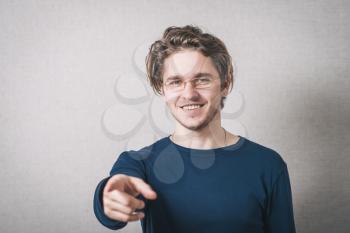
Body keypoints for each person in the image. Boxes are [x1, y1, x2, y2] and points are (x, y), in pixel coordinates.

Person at [93, 25, 296, 233]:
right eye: (176, 82)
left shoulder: (268, 165)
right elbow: (118, 193)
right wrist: (109, 198)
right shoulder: (139, 164)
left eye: (201, 80)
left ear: (225, 84)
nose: (189, 94)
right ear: (162, 89)